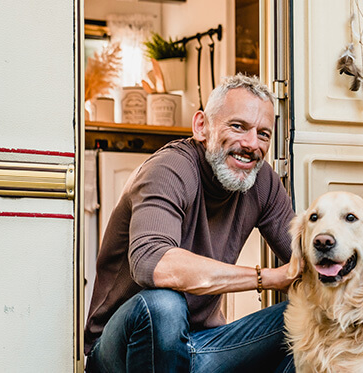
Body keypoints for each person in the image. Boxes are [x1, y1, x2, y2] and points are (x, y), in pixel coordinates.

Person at [84, 74, 297, 373]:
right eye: (238, 126)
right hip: (124, 354)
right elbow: (153, 263)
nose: (251, 144)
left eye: (263, 134)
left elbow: (305, 259)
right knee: (163, 305)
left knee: (310, 317)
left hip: (201, 348)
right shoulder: (169, 169)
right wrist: (268, 277)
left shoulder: (263, 182)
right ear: (201, 126)